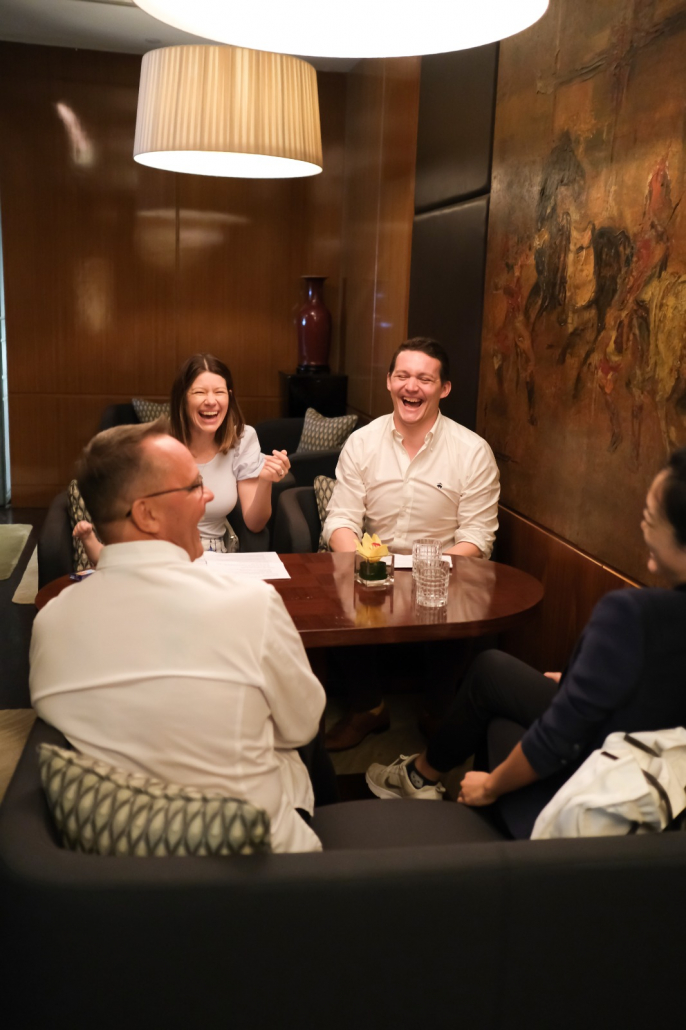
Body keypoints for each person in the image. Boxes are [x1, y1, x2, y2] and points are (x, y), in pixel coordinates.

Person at [30, 421, 331, 853]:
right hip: (263, 869)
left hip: (120, 871)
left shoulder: (50, 622)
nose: (208, 496)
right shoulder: (251, 605)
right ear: (146, 514)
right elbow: (301, 726)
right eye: (194, 487)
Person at [366, 448, 686, 840]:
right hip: (663, 766)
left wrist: (490, 785)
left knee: (497, 720)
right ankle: (420, 775)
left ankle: (488, 834)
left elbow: (558, 736)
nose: (642, 525)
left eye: (650, 518)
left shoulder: (633, 616)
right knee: (492, 669)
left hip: (609, 778)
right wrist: (573, 682)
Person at [321, 337, 500, 750]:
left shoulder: (472, 452)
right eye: (402, 375)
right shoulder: (362, 442)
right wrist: (367, 567)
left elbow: (477, 538)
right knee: (343, 588)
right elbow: (342, 519)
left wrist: (426, 573)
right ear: (389, 382)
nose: (411, 386)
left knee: (461, 596)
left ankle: (439, 711)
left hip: (440, 570)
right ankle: (368, 708)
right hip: (372, 566)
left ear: (444, 388)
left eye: (424, 378)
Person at [75, 353, 289, 562]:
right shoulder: (160, 442)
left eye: (219, 392)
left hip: (216, 556)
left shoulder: (243, 438)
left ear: (229, 396)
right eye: (199, 392)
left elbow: (255, 524)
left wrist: (265, 480)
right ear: (183, 398)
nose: (211, 401)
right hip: (161, 550)